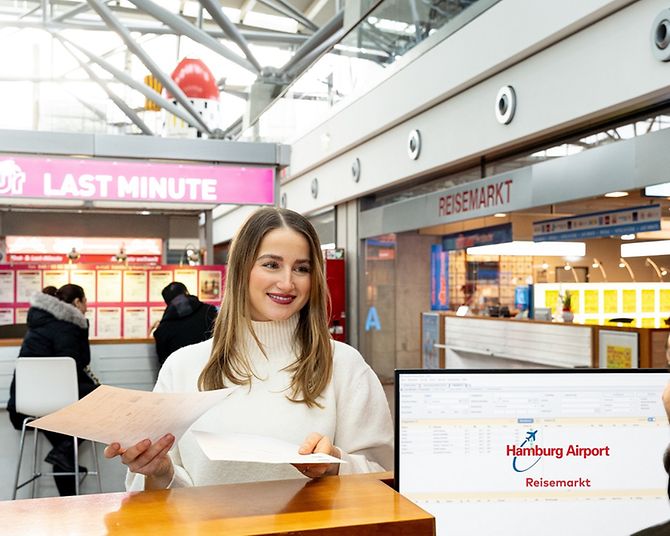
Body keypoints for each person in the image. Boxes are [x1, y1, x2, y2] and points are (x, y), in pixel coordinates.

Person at [105, 207, 394, 491]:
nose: (287, 282)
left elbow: (384, 476)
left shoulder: (343, 365)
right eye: (271, 264)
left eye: (301, 268)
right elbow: (158, 495)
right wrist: (160, 472)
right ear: (242, 269)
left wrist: (336, 465)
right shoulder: (183, 367)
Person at [7, 284, 99, 496]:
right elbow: (78, 362)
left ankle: (65, 466)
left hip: (26, 403)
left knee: (63, 440)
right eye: (85, 302)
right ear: (77, 303)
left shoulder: (37, 323)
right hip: (56, 400)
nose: (86, 307)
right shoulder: (69, 325)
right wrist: (83, 325)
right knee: (104, 397)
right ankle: (64, 453)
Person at [152, 282, 217, 366]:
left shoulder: (162, 329)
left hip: (182, 374)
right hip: (212, 369)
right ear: (186, 293)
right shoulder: (210, 311)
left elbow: (164, 362)